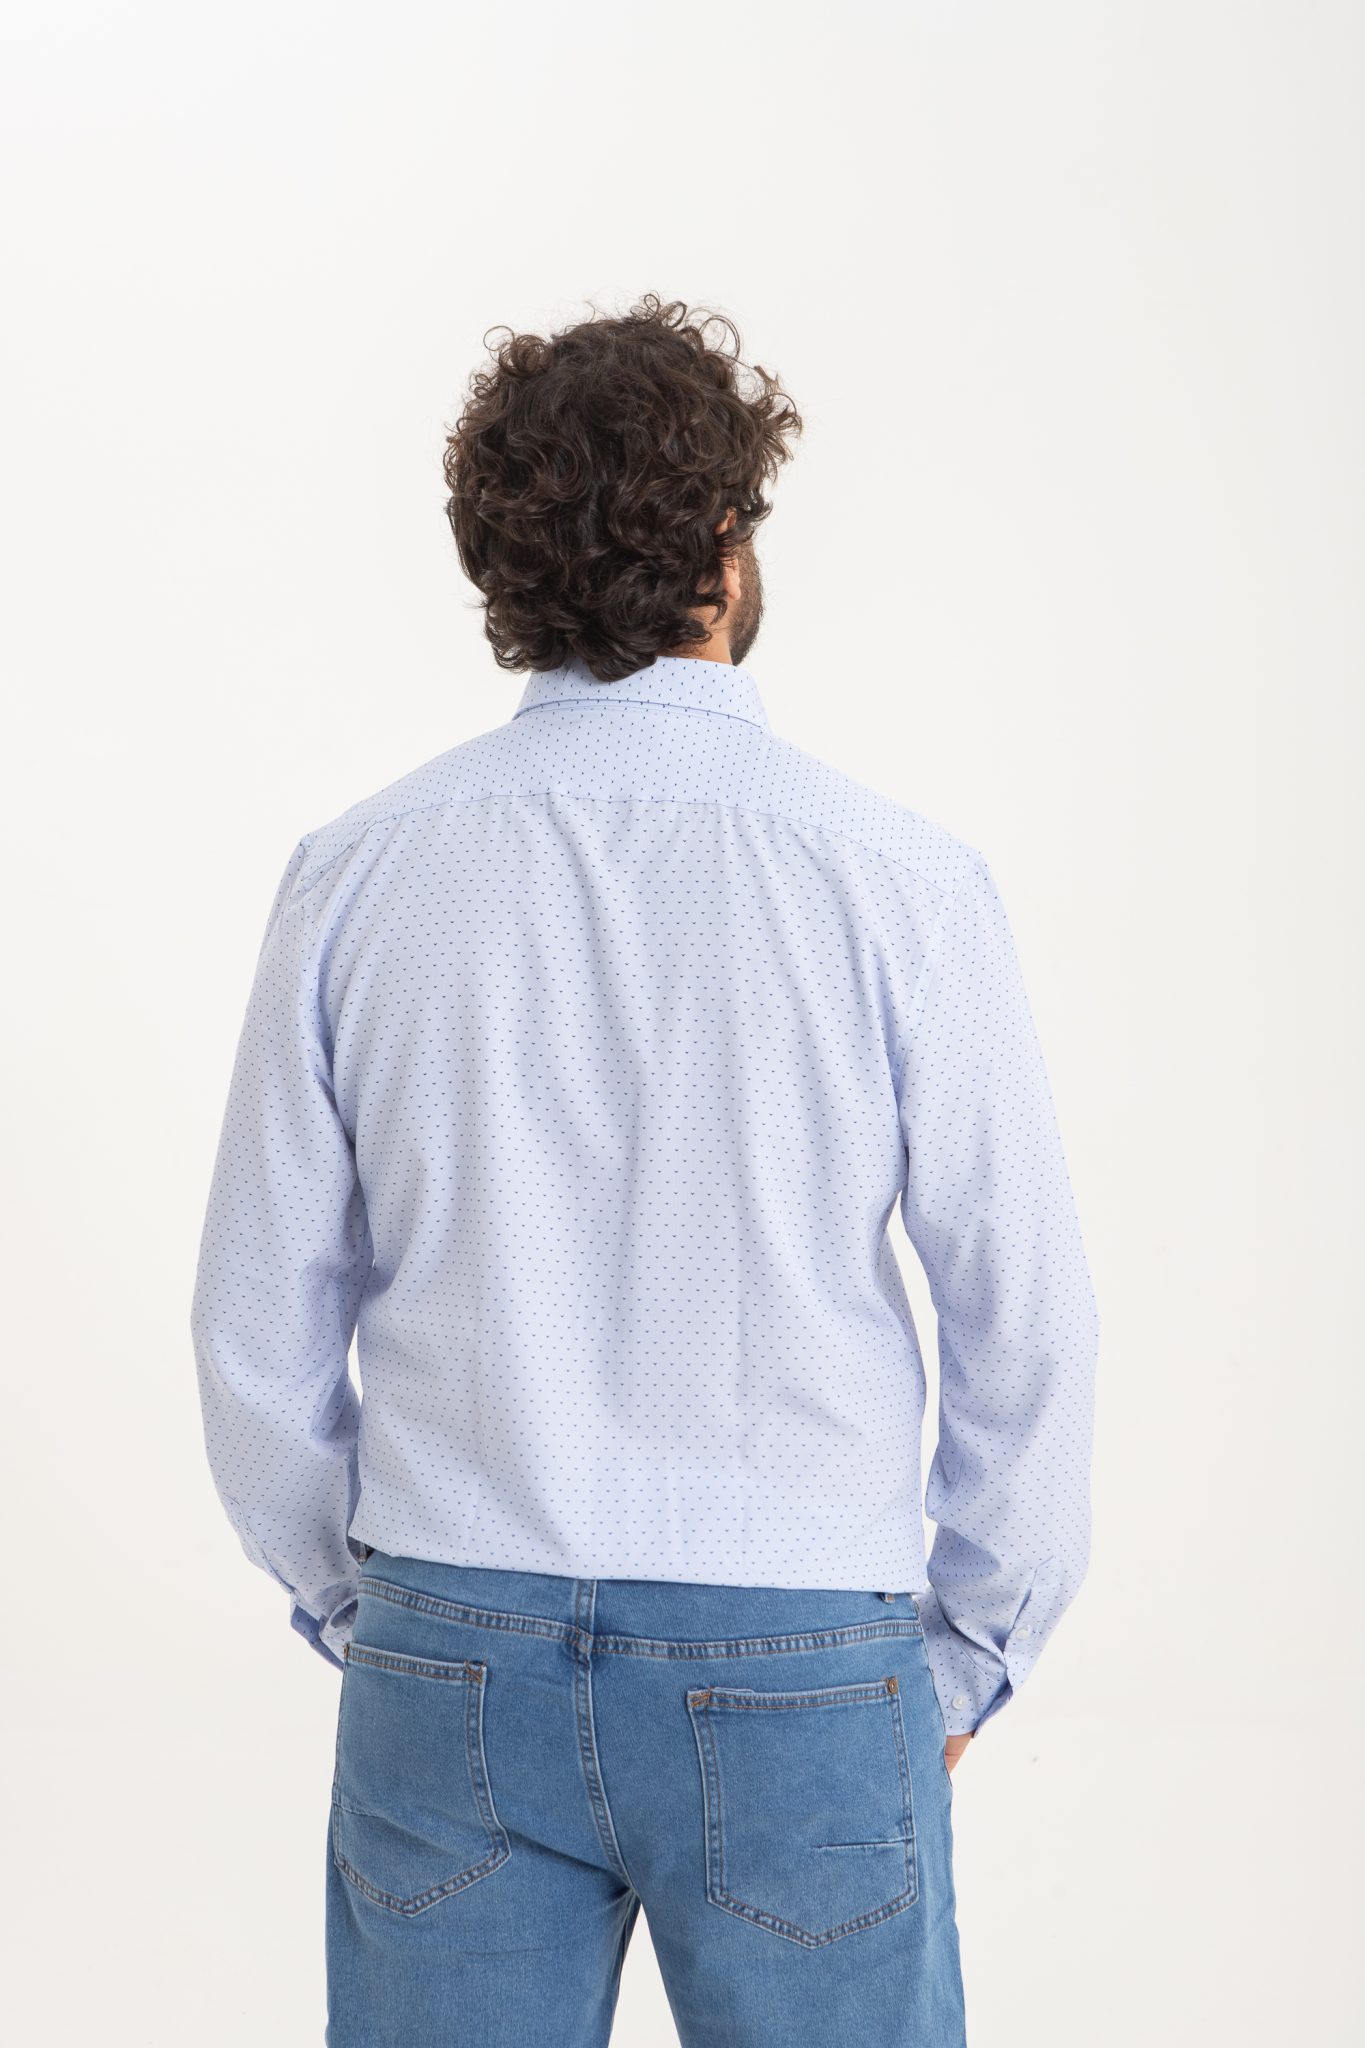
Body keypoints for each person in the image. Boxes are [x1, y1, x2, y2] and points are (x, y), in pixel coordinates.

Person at [190, 292, 1098, 2047]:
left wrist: (368, 1609)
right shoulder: (899, 883)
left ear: (502, 568)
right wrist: (971, 1652)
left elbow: (253, 1323)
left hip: (449, 1635)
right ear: (726, 542)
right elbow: (1027, 1314)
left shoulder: (359, 875)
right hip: (804, 1658)